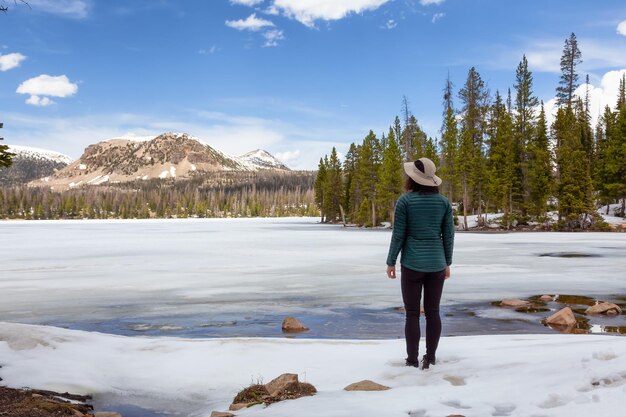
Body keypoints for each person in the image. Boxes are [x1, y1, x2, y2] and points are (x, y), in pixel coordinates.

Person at [386, 157, 455, 370]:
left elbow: (399, 235)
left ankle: (412, 360)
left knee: (413, 314)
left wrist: (391, 262)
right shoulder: (443, 203)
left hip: (412, 264)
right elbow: (449, 235)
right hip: (436, 263)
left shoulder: (405, 202)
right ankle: (430, 359)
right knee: (433, 312)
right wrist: (447, 262)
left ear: (412, 178)